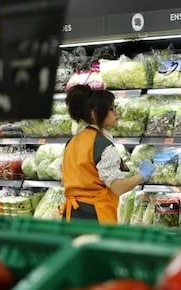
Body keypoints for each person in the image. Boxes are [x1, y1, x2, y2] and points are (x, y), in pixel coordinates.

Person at [60, 84, 156, 224]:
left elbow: (65, 179)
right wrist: (142, 175)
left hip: (71, 214)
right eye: (111, 109)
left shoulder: (72, 141)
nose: (116, 113)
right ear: (94, 114)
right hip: (96, 216)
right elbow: (118, 188)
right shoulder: (103, 145)